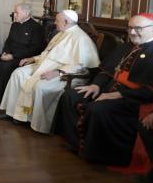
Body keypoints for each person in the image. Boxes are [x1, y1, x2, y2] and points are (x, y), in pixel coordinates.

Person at [57, 13, 153, 166]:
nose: (132, 32)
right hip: (107, 89)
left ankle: (96, 153)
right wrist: (95, 85)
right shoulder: (126, 47)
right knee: (70, 96)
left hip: (132, 99)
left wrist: (116, 95)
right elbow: (106, 71)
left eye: (138, 28)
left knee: (98, 109)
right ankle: (76, 143)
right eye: (130, 28)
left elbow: (149, 91)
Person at [0, 10, 100, 134]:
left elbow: (81, 66)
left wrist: (58, 72)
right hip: (45, 65)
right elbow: (48, 54)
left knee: (40, 86)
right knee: (18, 74)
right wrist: (33, 58)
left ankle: (36, 123)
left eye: (57, 20)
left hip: (66, 74)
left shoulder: (81, 38)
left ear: (66, 21)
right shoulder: (61, 33)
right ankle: (14, 113)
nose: (55, 23)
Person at [0, 3, 44, 106]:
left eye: (16, 12)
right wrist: (5, 52)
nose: (14, 15)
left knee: (5, 68)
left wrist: (13, 56)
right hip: (9, 54)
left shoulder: (36, 27)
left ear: (26, 13)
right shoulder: (14, 24)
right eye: (14, 12)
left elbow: (35, 48)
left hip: (22, 57)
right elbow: (8, 41)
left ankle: (0, 99)